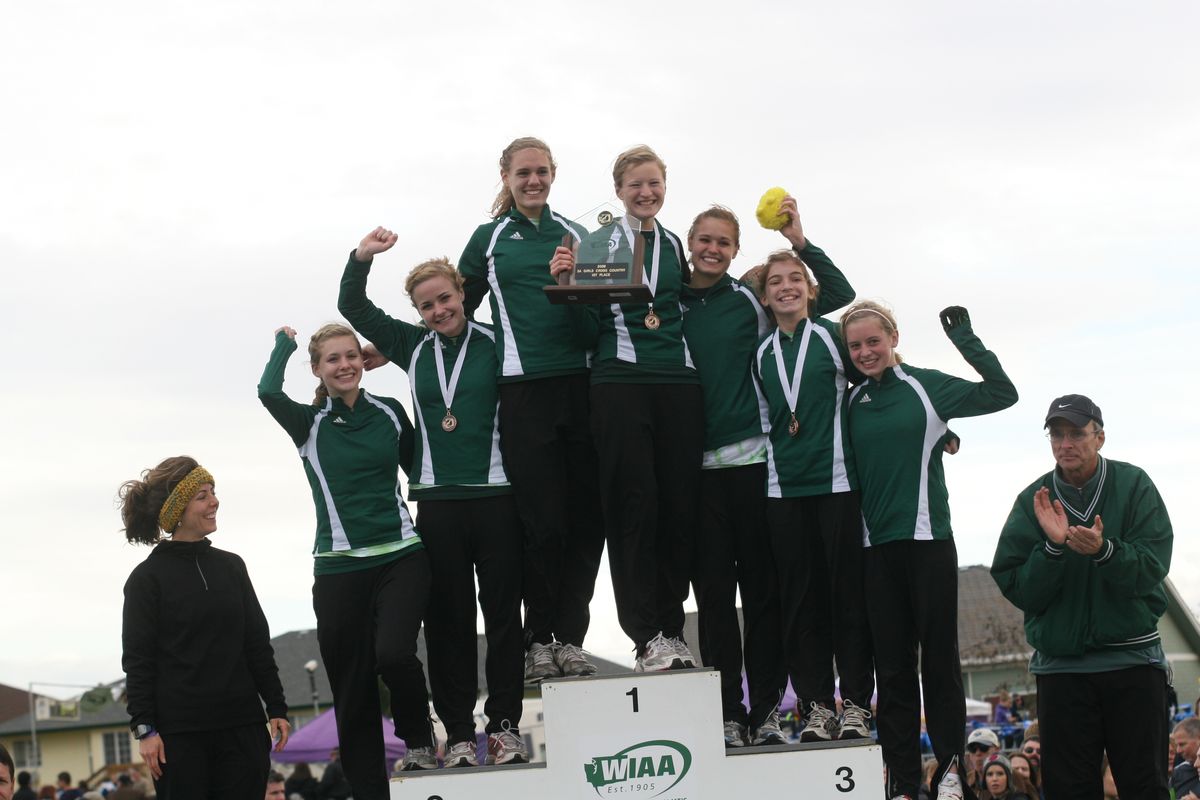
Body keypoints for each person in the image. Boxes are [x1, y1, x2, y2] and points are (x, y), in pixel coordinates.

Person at [338, 229, 527, 767]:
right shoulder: (409, 344)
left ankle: (507, 725)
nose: (439, 309)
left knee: (502, 616)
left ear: (462, 295)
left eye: (445, 298)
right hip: (437, 504)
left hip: (496, 497)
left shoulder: (497, 341)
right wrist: (362, 257)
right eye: (427, 304)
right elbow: (351, 305)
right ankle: (461, 733)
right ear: (418, 312)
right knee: (448, 620)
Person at [842, 301, 1018, 800]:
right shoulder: (852, 401)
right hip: (874, 551)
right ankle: (901, 783)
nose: (865, 352)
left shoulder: (925, 386)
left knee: (938, 663)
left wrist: (965, 339)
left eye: (873, 341)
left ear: (893, 337)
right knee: (892, 671)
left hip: (928, 544)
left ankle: (948, 774)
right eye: (855, 346)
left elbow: (1003, 393)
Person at [258, 325, 435, 790]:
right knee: (352, 688)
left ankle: (418, 741)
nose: (344, 365)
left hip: (401, 556)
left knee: (394, 653)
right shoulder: (308, 423)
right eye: (333, 359)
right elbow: (266, 389)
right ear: (318, 370)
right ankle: (368, 790)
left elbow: (420, 469)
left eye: (351, 356)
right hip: (338, 568)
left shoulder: (389, 412)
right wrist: (285, 345)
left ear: (363, 360)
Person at [550, 144, 701, 672]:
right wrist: (568, 287)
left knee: (677, 510)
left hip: (678, 384)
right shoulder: (597, 242)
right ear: (618, 190)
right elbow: (587, 328)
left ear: (665, 187)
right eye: (635, 184)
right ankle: (646, 636)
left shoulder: (674, 242)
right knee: (635, 509)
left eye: (654, 183)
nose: (645, 193)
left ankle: (673, 631)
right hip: (619, 383)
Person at [458, 136, 605, 681]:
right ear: (505, 175)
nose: (533, 181)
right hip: (522, 391)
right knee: (541, 524)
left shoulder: (578, 236)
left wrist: (569, 283)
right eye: (523, 173)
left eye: (542, 171)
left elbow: (594, 324)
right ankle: (537, 640)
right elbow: (455, 314)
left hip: (581, 388)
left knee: (588, 522)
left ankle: (570, 639)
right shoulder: (487, 239)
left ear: (553, 175)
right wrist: (395, 347)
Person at [992, 394, 1173, 800]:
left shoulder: (1134, 485)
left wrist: (1105, 551)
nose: (1065, 443)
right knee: (1069, 791)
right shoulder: (1033, 499)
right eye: (1057, 435)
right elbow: (1019, 588)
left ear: (1100, 437)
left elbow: (1152, 567)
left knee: (1145, 785)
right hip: (1062, 671)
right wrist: (1053, 550)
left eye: (1076, 433)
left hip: (1132, 663)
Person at [750, 215, 873, 746]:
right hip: (784, 492)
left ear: (809, 290)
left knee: (846, 599)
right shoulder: (760, 355)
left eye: (794, 279)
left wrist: (799, 242)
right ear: (765, 296)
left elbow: (877, 382)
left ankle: (858, 707)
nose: (785, 287)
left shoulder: (831, 336)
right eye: (775, 282)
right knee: (800, 605)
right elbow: (764, 424)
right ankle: (818, 706)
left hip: (838, 487)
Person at [679, 205, 789, 747]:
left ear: (735, 251)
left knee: (764, 596)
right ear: (690, 242)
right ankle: (728, 712)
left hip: (753, 465)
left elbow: (821, 303)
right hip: (696, 474)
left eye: (724, 242)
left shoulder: (750, 300)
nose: (713, 250)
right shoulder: (666, 298)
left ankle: (767, 711)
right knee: (715, 601)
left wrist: (796, 241)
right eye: (705, 239)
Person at [118, 457, 290, 800]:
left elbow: (256, 643)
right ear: (177, 510)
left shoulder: (232, 567)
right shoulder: (146, 580)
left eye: (213, 492)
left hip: (242, 728)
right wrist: (145, 730)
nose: (214, 502)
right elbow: (138, 661)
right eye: (202, 495)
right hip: (178, 737)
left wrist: (276, 706)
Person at [966, 728, 1002, 796]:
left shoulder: (1012, 778)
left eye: (983, 747)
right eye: (972, 749)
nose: (978, 753)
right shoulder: (964, 782)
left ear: (997, 750)